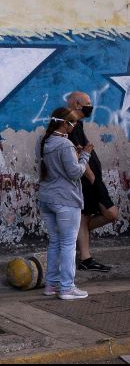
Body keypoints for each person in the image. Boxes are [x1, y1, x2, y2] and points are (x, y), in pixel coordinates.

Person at [37, 107, 92, 300]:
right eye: (73, 122)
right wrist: (85, 155)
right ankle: (67, 288)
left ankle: (51, 285)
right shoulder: (65, 145)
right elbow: (75, 172)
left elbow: (55, 164)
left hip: (46, 198)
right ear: (64, 123)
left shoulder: (43, 141)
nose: (75, 125)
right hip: (66, 200)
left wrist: (73, 154)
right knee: (68, 244)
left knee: (55, 242)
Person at [66, 91, 119, 272]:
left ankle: (79, 238)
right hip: (88, 181)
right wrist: (91, 176)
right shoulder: (70, 124)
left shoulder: (77, 124)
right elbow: (78, 154)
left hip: (93, 181)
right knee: (103, 213)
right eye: (88, 102)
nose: (91, 106)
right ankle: (85, 258)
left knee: (105, 215)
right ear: (77, 104)